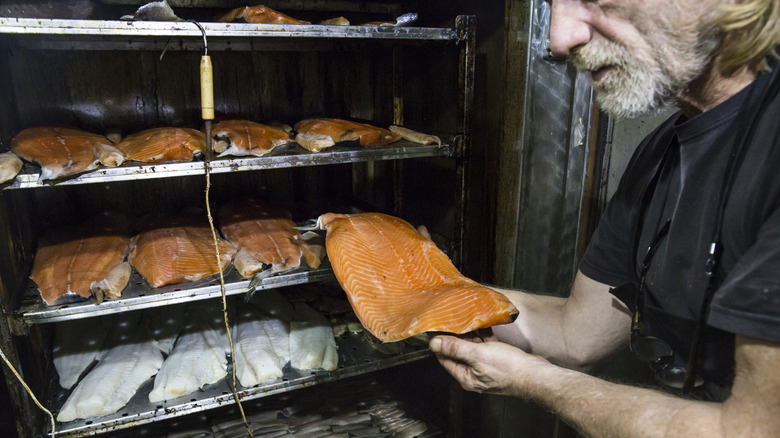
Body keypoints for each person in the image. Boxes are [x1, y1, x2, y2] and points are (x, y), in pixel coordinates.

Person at [429, 0, 780, 436]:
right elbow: (576, 335)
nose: (560, 39)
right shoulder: (660, 151)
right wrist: (428, 294)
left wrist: (534, 380)